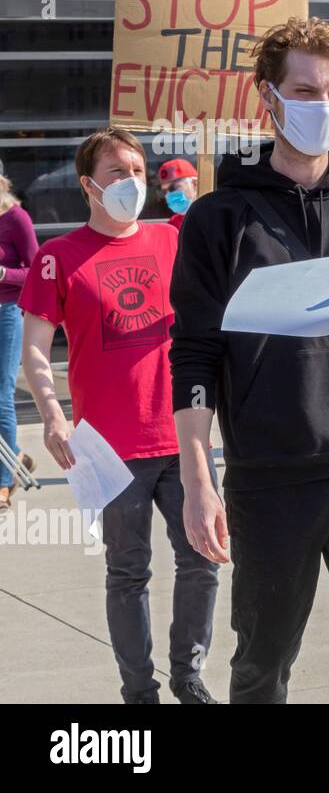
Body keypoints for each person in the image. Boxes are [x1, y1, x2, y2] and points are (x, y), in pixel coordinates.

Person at [169, 17, 329, 704]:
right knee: (262, 664)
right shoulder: (220, 217)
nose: (323, 104)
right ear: (269, 99)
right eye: (305, 90)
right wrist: (198, 480)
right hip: (269, 479)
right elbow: (192, 354)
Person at [19, 128, 219, 703]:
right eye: (116, 172)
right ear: (88, 185)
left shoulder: (174, 241)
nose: (131, 181)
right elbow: (36, 347)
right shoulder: (58, 258)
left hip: (184, 438)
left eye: (137, 170)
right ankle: (139, 690)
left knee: (201, 561)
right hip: (108, 448)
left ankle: (189, 674)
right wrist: (53, 417)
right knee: (128, 572)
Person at [0, 171, 38, 510]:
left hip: (6, 314)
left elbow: (36, 270)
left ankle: (3, 480)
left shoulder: (16, 218)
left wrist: (2, 273)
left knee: (1, 396)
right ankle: (16, 457)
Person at [158, 158, 198, 232]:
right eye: (164, 191)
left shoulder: (216, 217)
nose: (168, 195)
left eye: (173, 187)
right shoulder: (172, 226)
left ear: (194, 183)